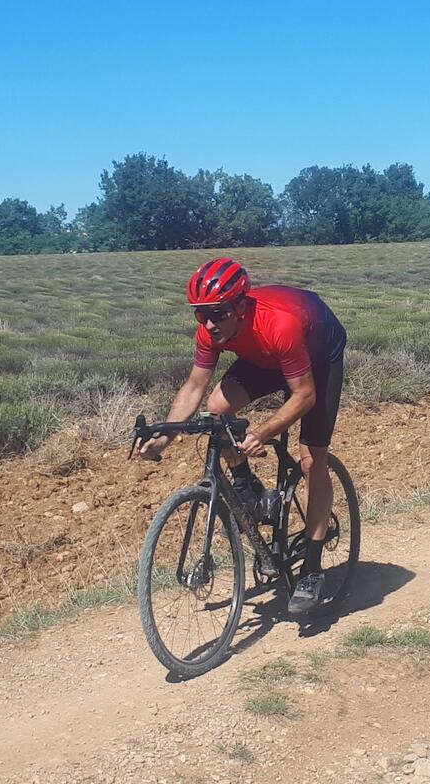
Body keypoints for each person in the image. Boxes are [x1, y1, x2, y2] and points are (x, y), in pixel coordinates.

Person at [141, 258, 348, 616]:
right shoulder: (210, 331)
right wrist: (164, 436)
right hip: (266, 357)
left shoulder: (279, 323)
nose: (209, 323)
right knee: (216, 410)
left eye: (218, 313)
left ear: (240, 306)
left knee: (312, 460)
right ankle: (247, 489)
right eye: (200, 314)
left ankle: (313, 569)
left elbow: (304, 395)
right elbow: (194, 387)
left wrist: (263, 433)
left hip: (317, 354)